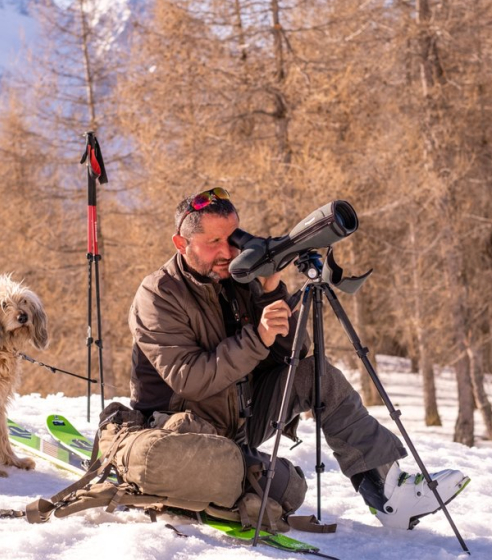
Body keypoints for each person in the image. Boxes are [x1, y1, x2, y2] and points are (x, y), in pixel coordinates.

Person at [128, 188, 468, 530]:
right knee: (289, 488)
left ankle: (388, 494)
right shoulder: (159, 294)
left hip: (240, 420)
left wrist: (272, 291)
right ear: (180, 243)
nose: (227, 251)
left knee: (317, 375)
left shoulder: (240, 281)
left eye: (233, 238)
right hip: (184, 432)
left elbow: (292, 355)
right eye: (213, 241)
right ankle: (217, 475)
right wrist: (256, 337)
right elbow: (190, 379)